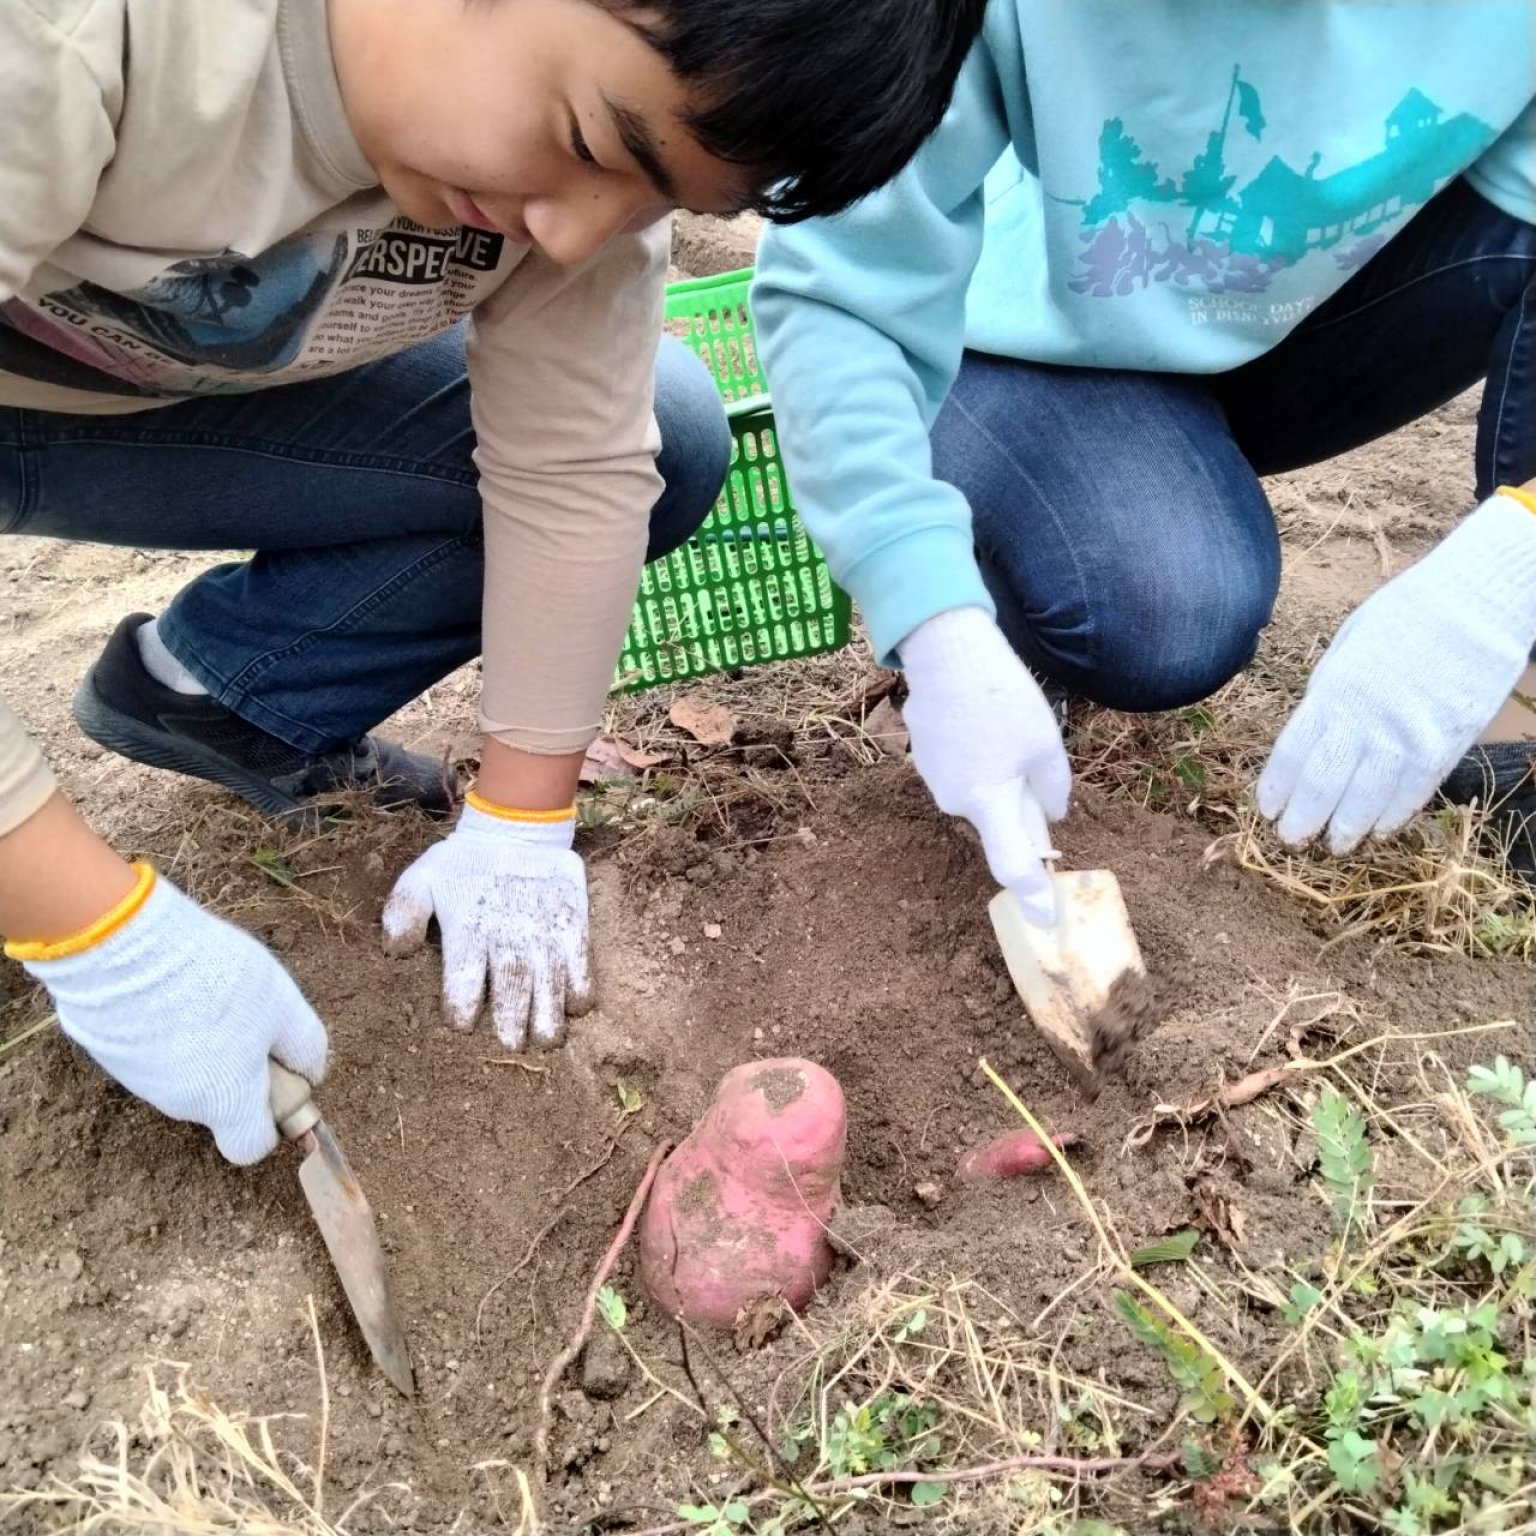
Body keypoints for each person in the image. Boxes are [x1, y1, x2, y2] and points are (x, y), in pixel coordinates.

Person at [0, 0, 986, 1163]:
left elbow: (575, 465)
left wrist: (522, 817)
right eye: (587, 141)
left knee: (666, 432)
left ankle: (220, 689)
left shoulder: (572, 184)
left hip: (179, 388)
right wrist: (91, 927)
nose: (580, 236)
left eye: (662, 197)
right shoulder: (77, 35)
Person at [754, 1, 1536, 926]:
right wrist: (934, 621)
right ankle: (1020, 616)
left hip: (1316, 312)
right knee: (1166, 608)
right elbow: (838, 281)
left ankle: (1516, 708)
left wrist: (1516, 550)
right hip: (1054, 334)